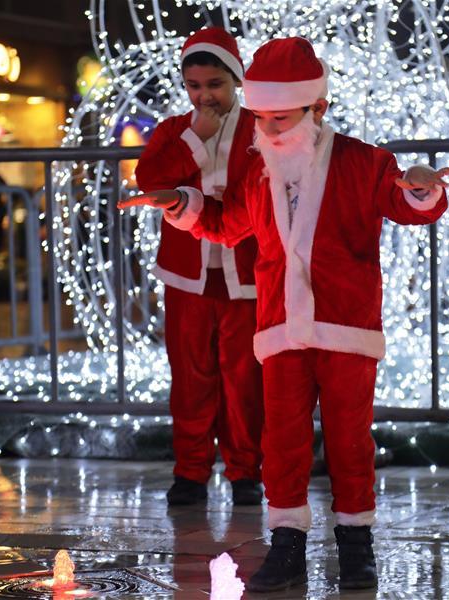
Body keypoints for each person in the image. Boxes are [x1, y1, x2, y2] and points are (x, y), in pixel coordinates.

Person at [119, 37, 449, 592]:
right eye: (261, 118)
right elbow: (228, 226)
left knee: (349, 442)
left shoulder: (362, 161)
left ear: (317, 109)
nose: (268, 130)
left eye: (281, 118)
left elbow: (408, 205)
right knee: (283, 442)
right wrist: (185, 206)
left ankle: (356, 548)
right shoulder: (257, 170)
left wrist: (421, 186)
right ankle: (287, 545)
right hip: (279, 327)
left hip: (345, 326)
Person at [133, 27, 264, 507]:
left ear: (237, 80)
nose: (204, 95)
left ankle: (245, 472)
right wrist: (195, 139)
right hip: (188, 274)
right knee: (190, 376)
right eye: (194, 86)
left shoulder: (258, 126)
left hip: (246, 274)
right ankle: (190, 471)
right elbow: (149, 179)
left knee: (245, 379)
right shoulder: (174, 130)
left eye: (215, 85)